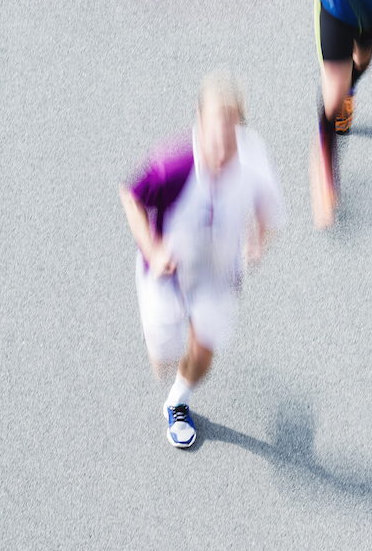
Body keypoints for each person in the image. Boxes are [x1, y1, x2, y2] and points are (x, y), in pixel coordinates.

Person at [119, 72, 286, 449]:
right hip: (166, 272)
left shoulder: (254, 159)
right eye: (214, 130)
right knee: (162, 358)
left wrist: (258, 241)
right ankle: (161, 336)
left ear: (240, 126)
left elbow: (270, 208)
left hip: (218, 271)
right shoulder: (174, 163)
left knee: (204, 352)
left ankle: (177, 402)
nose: (222, 144)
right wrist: (152, 249)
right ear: (199, 119)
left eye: (231, 131)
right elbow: (130, 195)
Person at [311, 0, 372, 228]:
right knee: (333, 98)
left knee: (362, 59)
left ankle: (347, 89)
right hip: (336, 8)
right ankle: (326, 174)